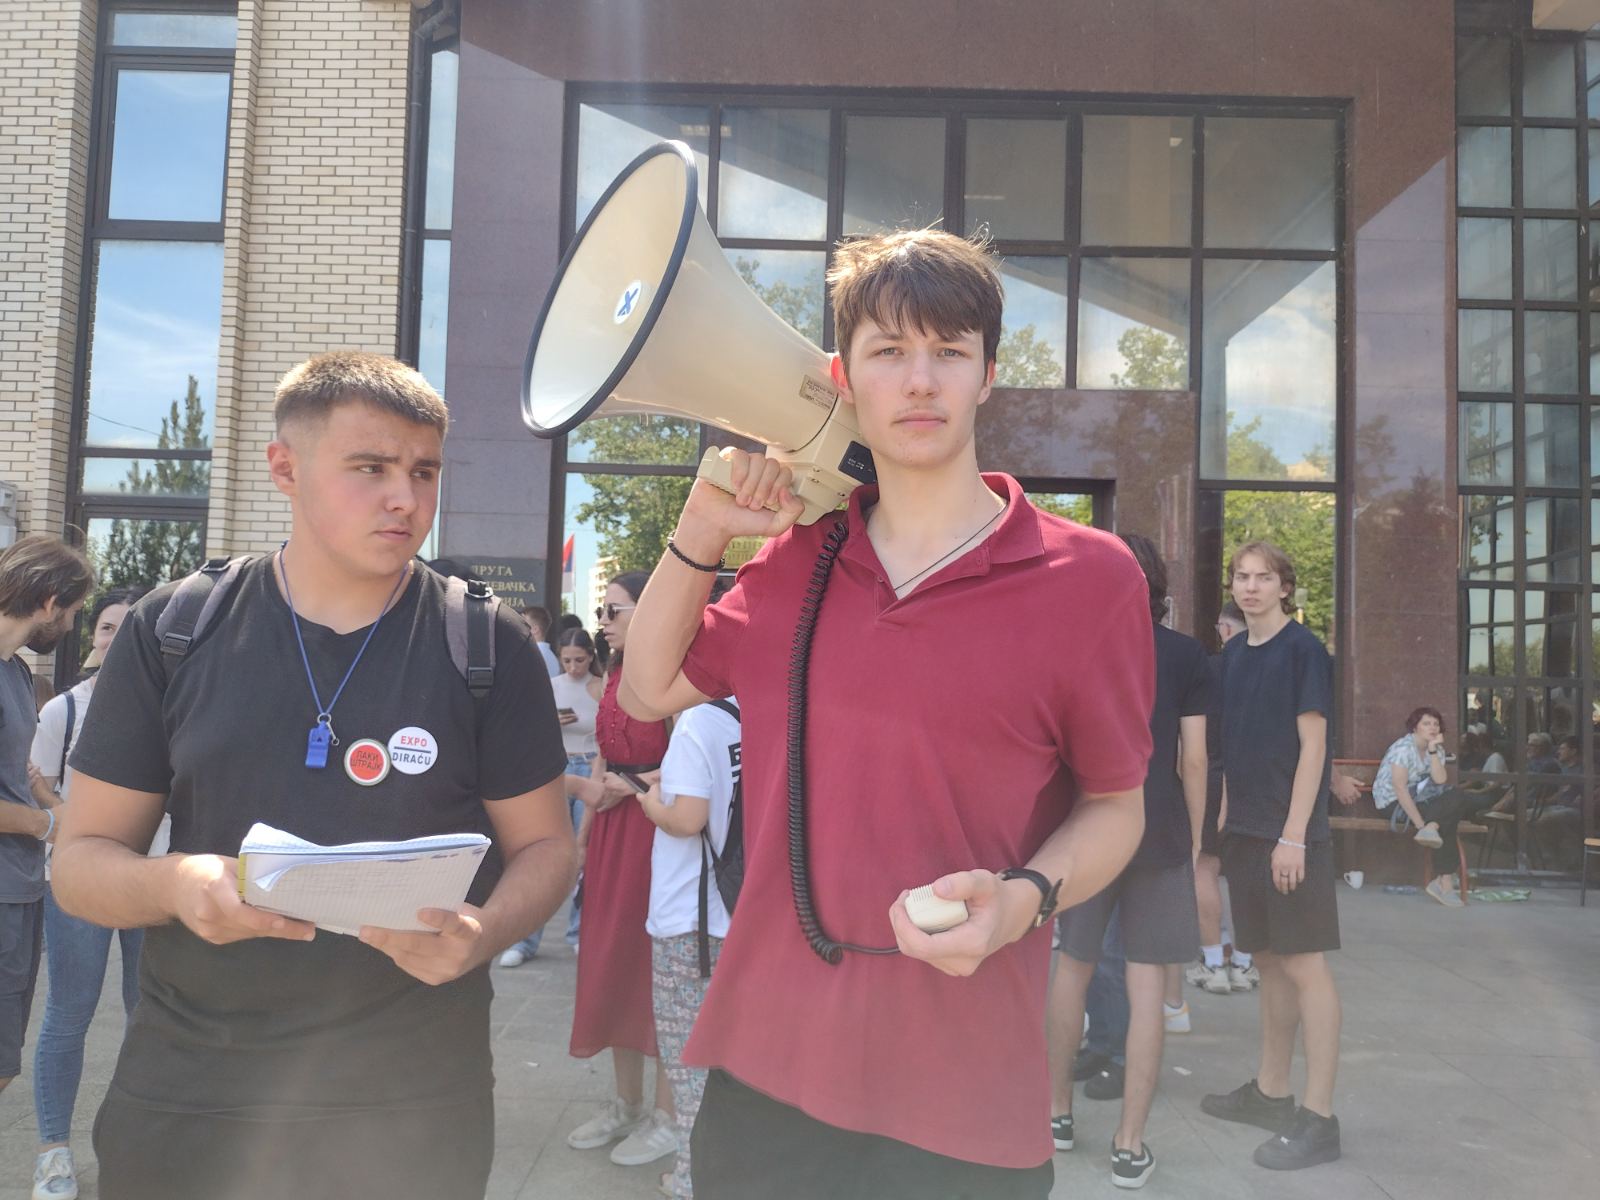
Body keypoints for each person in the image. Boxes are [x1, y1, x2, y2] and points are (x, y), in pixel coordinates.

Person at [620, 228, 1154, 1199]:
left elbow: (1118, 806)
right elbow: (646, 691)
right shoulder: (793, 562)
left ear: (990, 373)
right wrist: (701, 528)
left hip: (966, 1101)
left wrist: (1026, 899)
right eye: (889, 352)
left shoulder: (1091, 579)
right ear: (842, 376)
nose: (920, 381)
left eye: (948, 353)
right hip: (764, 1076)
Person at [51, 350, 575, 1200]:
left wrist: (483, 932)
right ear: (285, 468)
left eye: (424, 470)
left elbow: (548, 847)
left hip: (413, 1099)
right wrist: (178, 883)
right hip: (193, 1091)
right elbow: (79, 865)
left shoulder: (486, 643)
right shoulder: (176, 628)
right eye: (370, 467)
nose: (405, 497)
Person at [1046, 534, 1206, 1189]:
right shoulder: (1188, 655)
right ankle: (1129, 1145)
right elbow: (1192, 759)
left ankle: (1055, 1113)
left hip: (1088, 826)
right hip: (1160, 833)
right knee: (1147, 994)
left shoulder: (1076, 646)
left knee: (1071, 970)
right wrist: (1194, 844)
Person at [1201, 540, 1342, 1171]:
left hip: (1292, 837)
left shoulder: (1304, 651)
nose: (1251, 586)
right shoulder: (1231, 654)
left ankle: (1319, 1118)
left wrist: (1293, 834)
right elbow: (1233, 739)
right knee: (1268, 961)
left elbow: (1314, 749)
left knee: (1305, 965)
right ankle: (1272, 1091)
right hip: (1247, 832)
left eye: (1264, 577)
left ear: (1285, 587)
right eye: (1242, 576)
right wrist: (1229, 808)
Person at [29, 586, 149, 1200]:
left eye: (128, 629)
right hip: (75, 881)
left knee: (148, 1014)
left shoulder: (171, 709)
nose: (114, 638)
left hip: (151, 882)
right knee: (69, 1015)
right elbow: (37, 788)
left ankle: (133, 1141)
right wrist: (71, 816)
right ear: (92, 638)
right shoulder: (64, 712)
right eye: (104, 627)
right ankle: (53, 1151)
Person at [565, 572, 678, 1170]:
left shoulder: (674, 672)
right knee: (608, 958)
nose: (603, 619)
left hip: (659, 830)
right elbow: (605, 750)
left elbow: (696, 759)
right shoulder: (613, 671)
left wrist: (627, 787)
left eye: (614, 609)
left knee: (655, 965)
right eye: (601, 609)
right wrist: (584, 838)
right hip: (612, 828)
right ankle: (626, 1103)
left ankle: (667, 1115)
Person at [0, 536, 94, 1132]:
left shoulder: (15, 672)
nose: (70, 625)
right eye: (73, 612)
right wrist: (48, 824)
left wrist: (47, 799)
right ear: (49, 600)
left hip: (19, 887)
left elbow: (17, 770)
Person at [635, 686, 742, 1200]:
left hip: (689, 917)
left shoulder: (697, 720)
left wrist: (650, 801)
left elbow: (686, 819)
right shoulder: (751, 712)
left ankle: (691, 1179)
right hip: (739, 915)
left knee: (688, 1062)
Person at [500, 626, 604, 965]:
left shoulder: (601, 688)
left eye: (580, 659)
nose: (574, 666)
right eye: (567, 660)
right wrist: (554, 722)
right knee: (543, 854)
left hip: (590, 767)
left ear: (591, 657)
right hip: (557, 769)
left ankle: (577, 933)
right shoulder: (551, 685)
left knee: (580, 855)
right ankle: (526, 940)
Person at [1184, 601, 1253, 998]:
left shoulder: (1212, 669)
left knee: (1203, 868)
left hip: (1211, 776)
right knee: (1245, 875)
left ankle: (1214, 962)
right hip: (1259, 781)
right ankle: (1244, 963)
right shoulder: (1272, 668)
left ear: (1225, 629)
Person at [1371, 707, 1494, 908]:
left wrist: (1433, 751)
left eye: (1436, 724)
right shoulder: (1403, 748)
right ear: (1415, 727)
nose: (1433, 728)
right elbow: (1400, 789)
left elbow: (1440, 779)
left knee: (1456, 796)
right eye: (1426, 723)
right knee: (1451, 813)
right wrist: (1421, 825)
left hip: (1422, 801)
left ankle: (1434, 831)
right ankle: (1444, 881)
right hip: (1393, 803)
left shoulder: (1436, 749)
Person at [520, 604, 562, 678]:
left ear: (535, 629)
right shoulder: (551, 656)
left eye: (523, 624)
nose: (519, 627)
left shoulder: (533, 654)